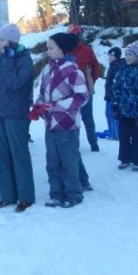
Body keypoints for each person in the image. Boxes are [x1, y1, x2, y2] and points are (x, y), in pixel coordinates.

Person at [33, 32, 89, 208]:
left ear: (62, 49)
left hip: (67, 125)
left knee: (68, 161)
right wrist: (38, 107)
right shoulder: (47, 69)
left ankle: (73, 194)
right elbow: (42, 93)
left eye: (51, 48)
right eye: (47, 48)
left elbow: (82, 96)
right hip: (50, 125)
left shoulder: (73, 70)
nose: (48, 51)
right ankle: (56, 194)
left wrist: (56, 106)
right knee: (52, 162)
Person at [0, 23, 35, 212]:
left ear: (12, 40)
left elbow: (14, 84)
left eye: (2, 40)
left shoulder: (24, 60)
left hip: (15, 115)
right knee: (1, 157)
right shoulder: (0, 59)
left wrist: (7, 60)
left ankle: (25, 196)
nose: (0, 43)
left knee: (19, 155)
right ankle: (7, 195)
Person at [111, 41, 138, 171]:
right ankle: (125, 158)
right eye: (126, 54)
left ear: (137, 56)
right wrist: (115, 105)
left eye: (130, 54)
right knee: (124, 136)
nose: (127, 57)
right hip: (124, 109)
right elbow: (116, 89)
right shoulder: (121, 72)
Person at [68, 25, 102, 152]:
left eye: (75, 36)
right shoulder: (64, 50)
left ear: (79, 37)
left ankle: (93, 143)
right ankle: (73, 144)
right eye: (70, 36)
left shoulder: (87, 51)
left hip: (85, 91)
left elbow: (96, 68)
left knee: (88, 118)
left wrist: (89, 82)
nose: (72, 39)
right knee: (72, 119)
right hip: (69, 92)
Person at [97, 47, 126, 140]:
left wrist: (113, 95)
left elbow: (117, 83)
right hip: (111, 96)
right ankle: (113, 131)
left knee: (111, 115)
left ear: (115, 56)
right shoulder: (115, 65)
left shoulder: (117, 66)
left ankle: (115, 134)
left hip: (113, 97)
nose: (108, 57)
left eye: (110, 55)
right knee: (111, 114)